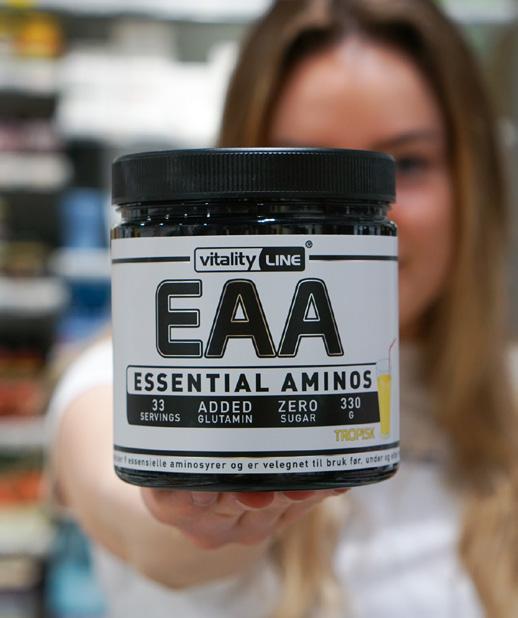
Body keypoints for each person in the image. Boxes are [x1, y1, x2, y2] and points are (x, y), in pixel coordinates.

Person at [47, 0, 518, 616]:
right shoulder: (116, 382)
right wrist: (197, 512)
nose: (334, 219)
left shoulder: (510, 399)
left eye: (407, 162)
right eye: (300, 166)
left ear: (472, 183)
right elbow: (142, 522)